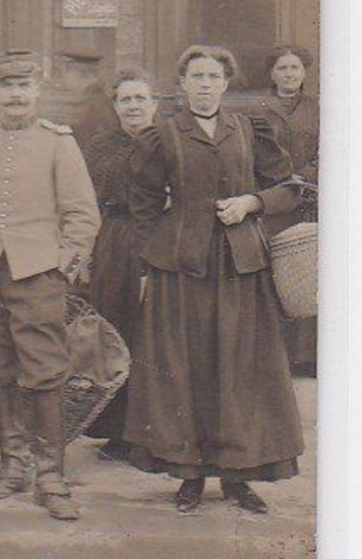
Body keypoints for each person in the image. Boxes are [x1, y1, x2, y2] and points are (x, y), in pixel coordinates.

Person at [125, 46, 304, 515]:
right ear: (181, 83)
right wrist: (156, 251)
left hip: (239, 266)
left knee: (241, 371)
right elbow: (141, 202)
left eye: (214, 76)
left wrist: (252, 203)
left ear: (226, 83)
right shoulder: (162, 136)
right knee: (188, 369)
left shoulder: (249, 129)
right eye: (196, 76)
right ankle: (190, 476)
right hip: (182, 270)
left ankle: (238, 478)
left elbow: (289, 188)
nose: (205, 84)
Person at [0, 50, 100, 522]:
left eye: (24, 86)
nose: (15, 95)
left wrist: (62, 263)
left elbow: (82, 214)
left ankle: (49, 473)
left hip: (37, 271)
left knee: (44, 369)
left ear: (37, 92)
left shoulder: (58, 142)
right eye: (7, 87)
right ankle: (12, 464)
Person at [80, 68, 159, 461]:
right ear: (115, 106)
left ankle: (154, 432)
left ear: (154, 104)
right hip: (113, 240)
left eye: (140, 99)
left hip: (158, 239)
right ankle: (119, 430)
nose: (132, 106)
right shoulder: (99, 147)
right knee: (117, 331)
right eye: (125, 100)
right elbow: (89, 200)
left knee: (155, 335)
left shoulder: (168, 142)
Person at [257, 44, 319, 375]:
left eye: (295, 68)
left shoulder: (320, 108)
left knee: (310, 275)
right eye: (283, 68)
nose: (289, 74)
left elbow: (332, 147)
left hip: (311, 200)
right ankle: (280, 357)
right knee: (280, 275)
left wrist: (306, 176)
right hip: (278, 202)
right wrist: (281, 180)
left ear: (304, 73)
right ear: (272, 74)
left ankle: (308, 357)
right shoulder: (260, 111)